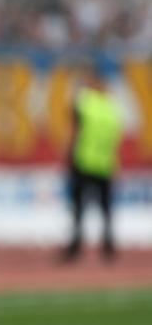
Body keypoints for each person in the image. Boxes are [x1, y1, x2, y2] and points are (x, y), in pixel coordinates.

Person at [62, 64, 122, 261]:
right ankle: (108, 247)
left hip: (84, 161)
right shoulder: (111, 108)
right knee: (106, 209)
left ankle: (75, 247)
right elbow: (114, 139)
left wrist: (67, 154)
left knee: (79, 208)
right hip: (105, 163)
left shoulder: (85, 103)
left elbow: (73, 128)